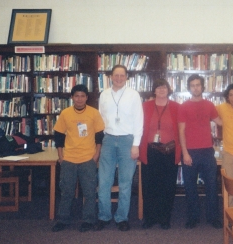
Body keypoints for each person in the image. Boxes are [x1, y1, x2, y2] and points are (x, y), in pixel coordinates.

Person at [95, 64, 144, 232]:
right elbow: (100, 119)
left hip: (127, 141)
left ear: (126, 77)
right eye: (116, 75)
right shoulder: (104, 94)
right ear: (111, 76)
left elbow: (139, 121)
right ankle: (104, 216)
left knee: (125, 183)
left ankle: (121, 217)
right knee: (104, 182)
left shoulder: (133, 95)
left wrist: (135, 144)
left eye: (122, 75)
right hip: (108, 139)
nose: (119, 78)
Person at [51, 84, 105, 232]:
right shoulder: (65, 113)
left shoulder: (94, 113)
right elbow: (59, 137)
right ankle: (63, 220)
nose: (79, 99)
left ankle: (88, 220)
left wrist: (96, 155)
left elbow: (99, 137)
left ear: (87, 98)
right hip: (69, 158)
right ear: (72, 97)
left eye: (82, 96)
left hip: (88, 158)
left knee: (89, 192)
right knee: (66, 191)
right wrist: (61, 156)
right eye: (76, 96)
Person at [178, 74, 223, 229]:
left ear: (202, 87)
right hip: (190, 151)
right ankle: (193, 217)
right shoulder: (183, 106)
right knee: (190, 187)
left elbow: (220, 122)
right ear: (189, 88)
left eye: (198, 85)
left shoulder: (209, 105)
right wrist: (185, 153)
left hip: (207, 151)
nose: (196, 87)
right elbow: (181, 131)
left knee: (211, 185)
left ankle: (213, 217)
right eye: (193, 85)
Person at [139, 79, 181, 230]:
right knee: (149, 186)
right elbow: (138, 127)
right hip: (150, 150)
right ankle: (149, 218)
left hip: (169, 151)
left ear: (168, 90)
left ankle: (165, 218)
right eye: (158, 87)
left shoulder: (176, 107)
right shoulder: (145, 106)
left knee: (167, 186)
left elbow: (182, 130)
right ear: (154, 91)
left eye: (164, 87)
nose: (162, 90)